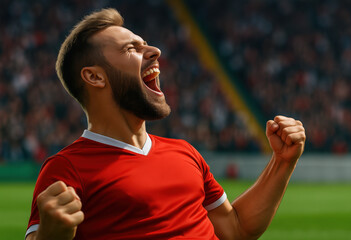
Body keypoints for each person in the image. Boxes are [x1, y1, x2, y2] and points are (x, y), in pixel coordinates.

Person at [25, 8, 306, 240]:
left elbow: (236, 228)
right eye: (131, 48)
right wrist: (50, 236)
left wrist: (282, 162)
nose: (155, 51)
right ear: (95, 77)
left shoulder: (186, 152)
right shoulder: (67, 168)